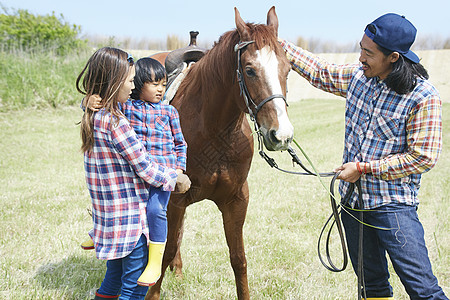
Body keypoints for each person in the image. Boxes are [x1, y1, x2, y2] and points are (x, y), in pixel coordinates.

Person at [280, 13, 447, 300]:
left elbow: (423, 157)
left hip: (393, 207)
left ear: (393, 57)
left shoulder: (423, 96)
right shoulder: (359, 79)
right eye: (361, 48)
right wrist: (274, 42)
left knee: (423, 289)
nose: (360, 58)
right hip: (352, 203)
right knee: (371, 286)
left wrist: (365, 168)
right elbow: (321, 71)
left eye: (368, 53)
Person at [77, 47, 179, 299]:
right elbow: (145, 168)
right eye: (131, 81)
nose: (133, 87)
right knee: (134, 288)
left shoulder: (94, 116)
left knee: (112, 279)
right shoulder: (117, 123)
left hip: (109, 220)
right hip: (130, 221)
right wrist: (175, 178)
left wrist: (86, 102)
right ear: (115, 82)